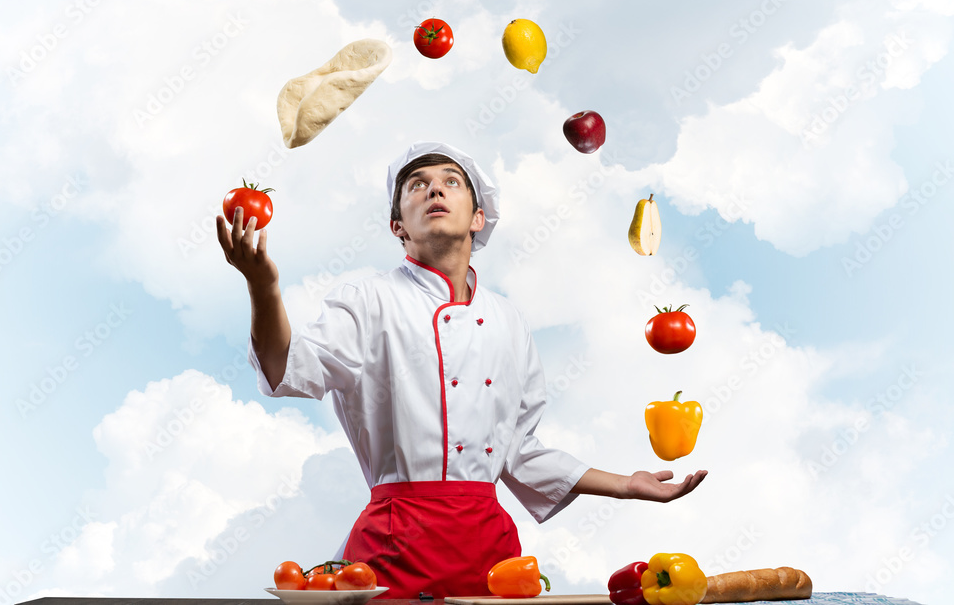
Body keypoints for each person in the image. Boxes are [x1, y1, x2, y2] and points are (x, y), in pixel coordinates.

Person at [216, 141, 707, 598]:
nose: (434, 188)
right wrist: (263, 287)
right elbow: (287, 370)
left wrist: (625, 484)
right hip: (391, 547)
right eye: (416, 185)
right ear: (398, 228)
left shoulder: (509, 321)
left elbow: (517, 450)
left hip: (490, 550)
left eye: (451, 181)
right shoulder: (367, 301)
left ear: (478, 217)